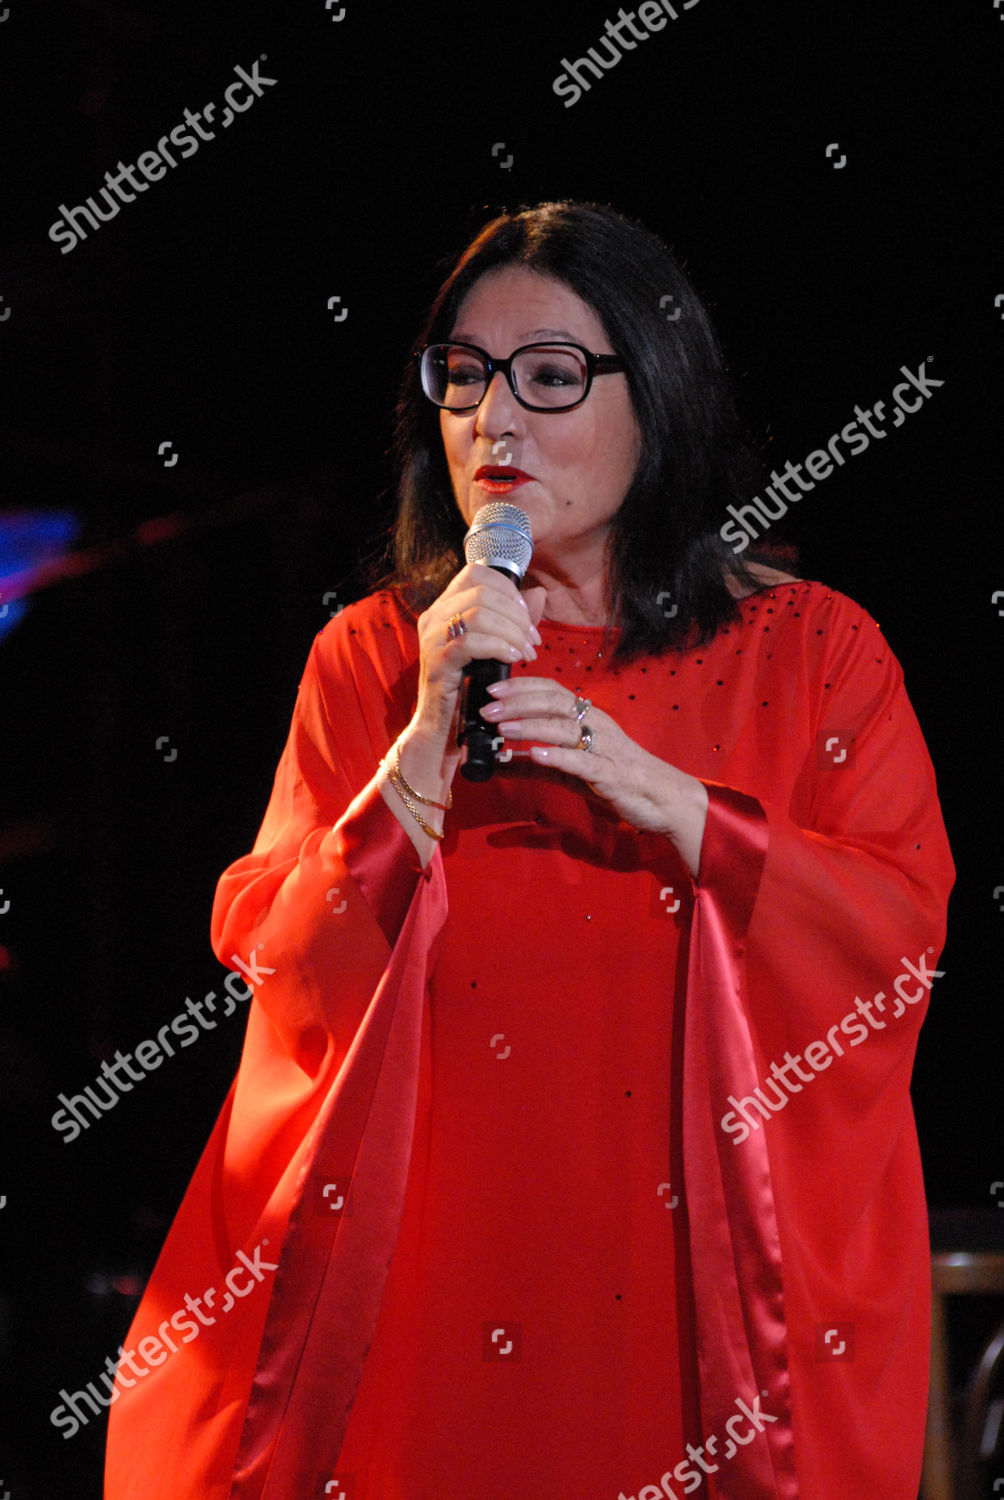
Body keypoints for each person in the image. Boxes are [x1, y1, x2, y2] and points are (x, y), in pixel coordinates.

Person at [103, 200, 954, 1500]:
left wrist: (665, 798)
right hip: (423, 1298)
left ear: (656, 395)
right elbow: (278, 963)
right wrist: (419, 749)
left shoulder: (815, 651)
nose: (494, 420)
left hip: (685, 1298)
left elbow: (892, 939)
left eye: (550, 376)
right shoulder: (377, 659)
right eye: (464, 375)